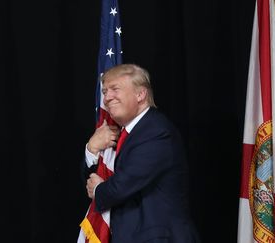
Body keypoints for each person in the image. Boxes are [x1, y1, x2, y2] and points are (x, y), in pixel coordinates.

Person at [83, 64, 200, 243]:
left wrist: (99, 189)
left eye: (115, 89)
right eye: (105, 91)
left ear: (140, 94)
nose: (107, 97)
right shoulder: (119, 134)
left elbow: (120, 186)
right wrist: (91, 148)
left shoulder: (156, 131)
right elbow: (91, 181)